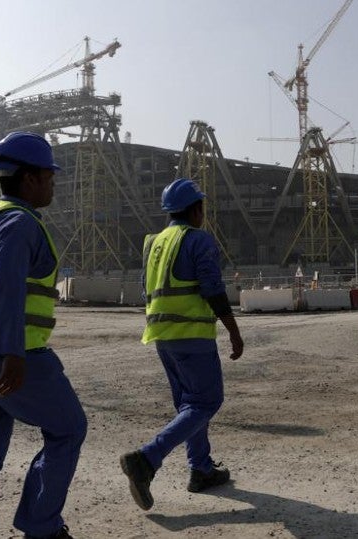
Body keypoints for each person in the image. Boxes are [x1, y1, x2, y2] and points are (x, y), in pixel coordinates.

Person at [0, 132, 87, 539]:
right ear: (29, 178)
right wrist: (10, 351)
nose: (53, 183)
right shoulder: (20, 222)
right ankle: (41, 527)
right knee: (68, 428)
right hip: (12, 352)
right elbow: (6, 284)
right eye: (49, 175)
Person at [120, 178, 244, 510]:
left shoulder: (154, 243)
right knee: (205, 403)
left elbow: (145, 289)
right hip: (192, 335)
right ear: (196, 209)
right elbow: (212, 289)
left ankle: (201, 468)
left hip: (161, 335)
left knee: (189, 405)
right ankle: (147, 459)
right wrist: (233, 330)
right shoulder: (197, 240)